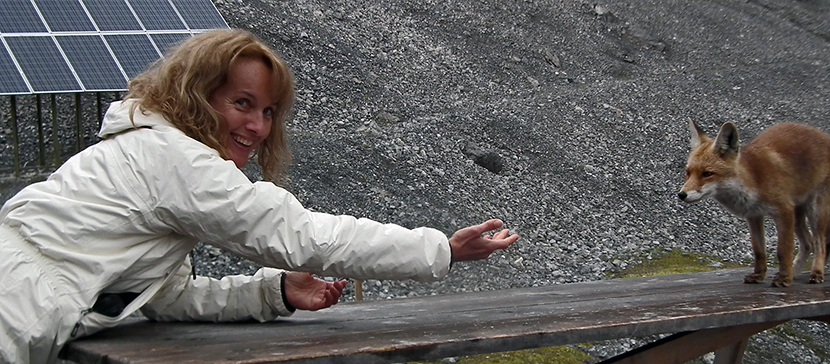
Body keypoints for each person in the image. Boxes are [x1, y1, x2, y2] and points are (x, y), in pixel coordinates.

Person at [0, 29, 518, 364]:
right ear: (194, 96)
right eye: (242, 103)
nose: (257, 125)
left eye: (269, 111)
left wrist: (274, 293)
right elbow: (300, 235)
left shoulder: (149, 154)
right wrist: (442, 250)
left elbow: (164, 297)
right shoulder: (172, 159)